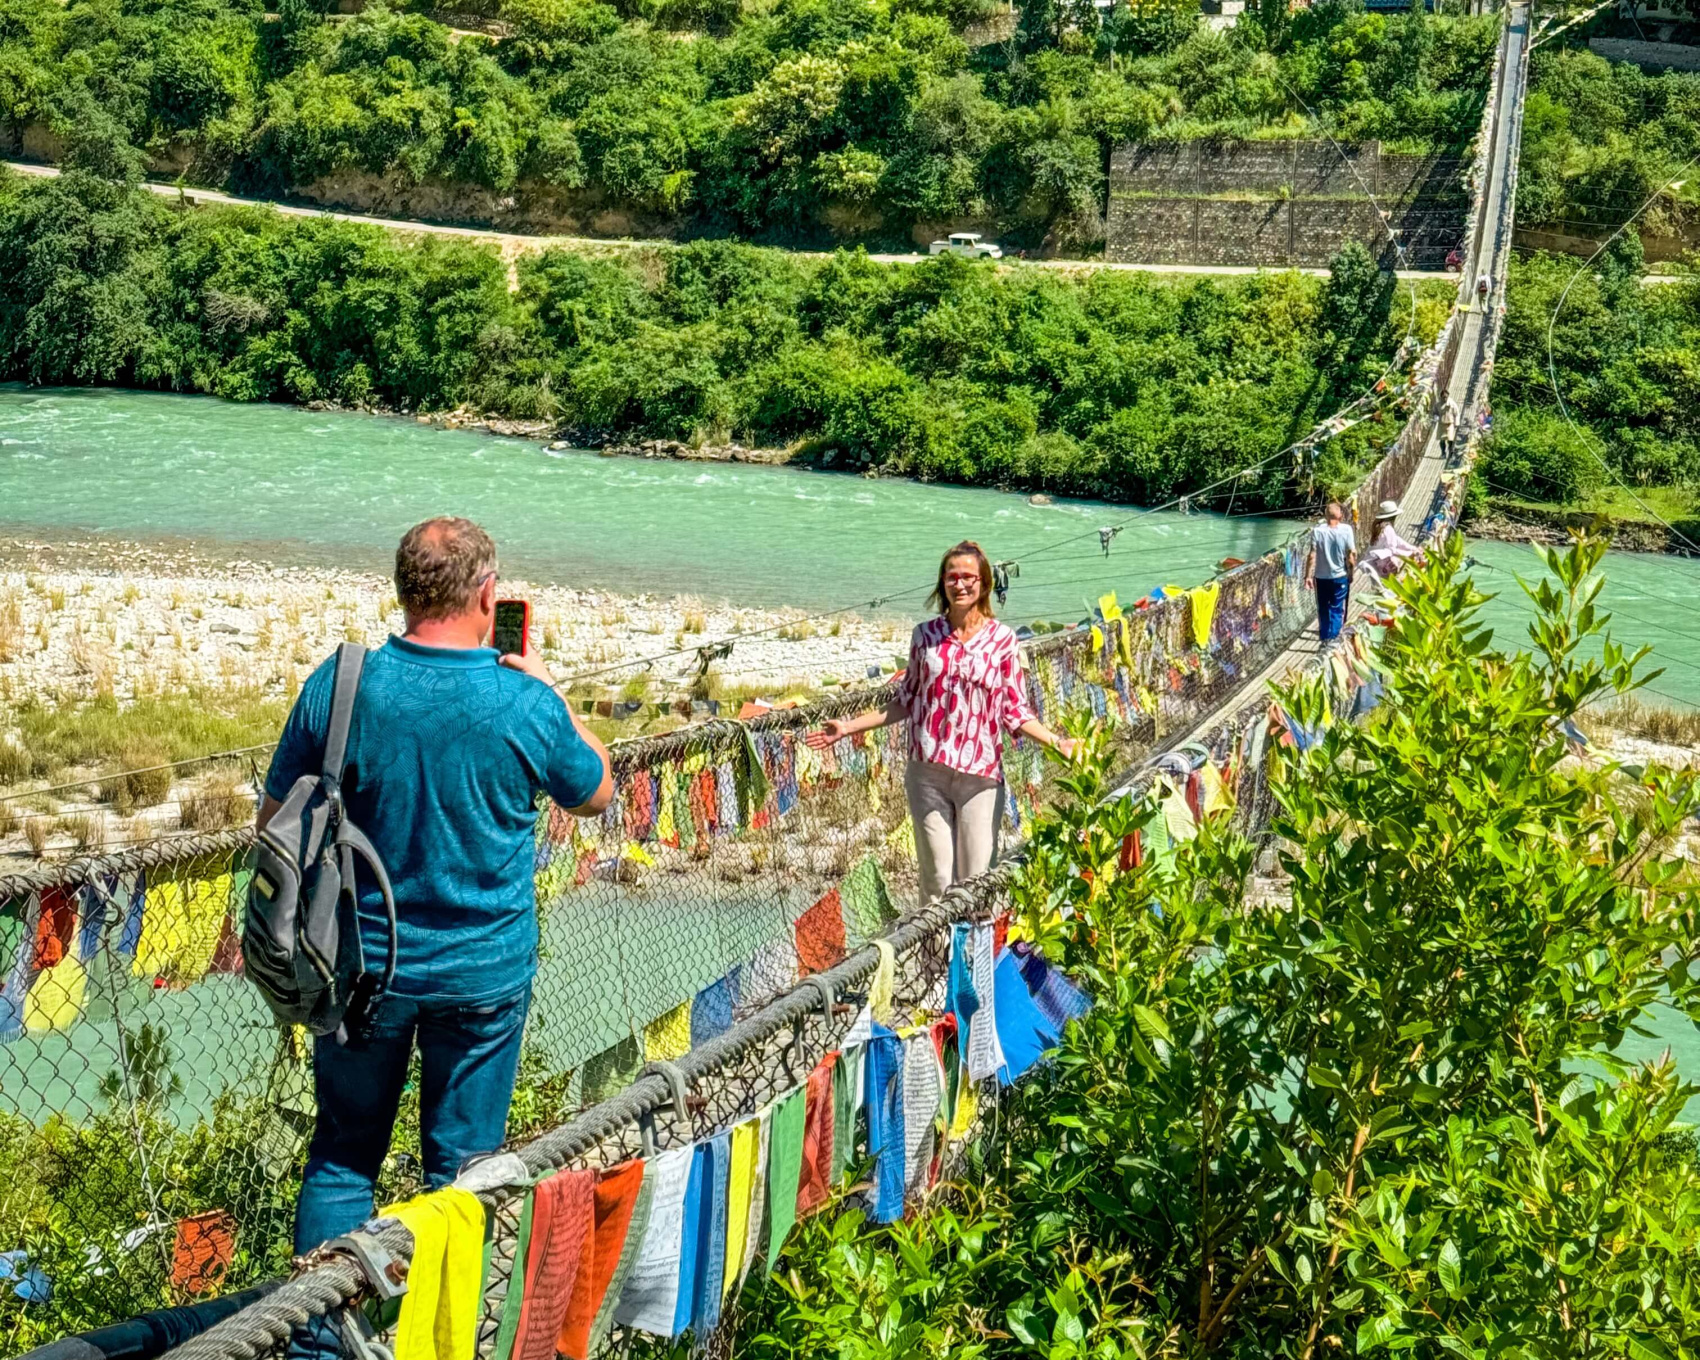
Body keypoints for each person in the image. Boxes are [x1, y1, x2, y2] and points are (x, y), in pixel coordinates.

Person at [261, 518, 612, 1357]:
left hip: (360, 970)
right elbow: (595, 792)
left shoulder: (342, 683)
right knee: (460, 1176)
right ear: (489, 595)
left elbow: (276, 817)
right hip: (483, 977)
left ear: (404, 588)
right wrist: (555, 695)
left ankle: (318, 1339)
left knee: (344, 1155)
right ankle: (436, 1339)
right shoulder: (522, 700)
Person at [805, 541, 1074, 904]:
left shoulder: (1003, 641)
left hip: (980, 776)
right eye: (952, 577)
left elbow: (1015, 710)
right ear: (941, 583)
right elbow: (906, 701)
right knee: (935, 883)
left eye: (968, 577)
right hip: (927, 772)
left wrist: (1057, 742)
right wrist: (849, 727)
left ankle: (972, 961)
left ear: (984, 583)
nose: (960, 585)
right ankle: (935, 962)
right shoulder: (925, 636)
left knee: (976, 884)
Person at [1305, 501, 1357, 645]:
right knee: (1336, 608)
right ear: (1340, 515)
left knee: (1323, 609)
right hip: (1339, 576)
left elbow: (1311, 556)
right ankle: (1333, 640)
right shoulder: (1346, 530)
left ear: (1326, 515)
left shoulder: (1317, 531)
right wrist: (1351, 573)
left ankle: (1324, 639)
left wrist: (1308, 576)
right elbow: (1351, 555)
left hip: (1321, 577)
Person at [1363, 500, 1423, 581]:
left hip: (1373, 562)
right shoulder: (1388, 529)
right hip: (1381, 564)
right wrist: (1411, 553)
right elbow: (1392, 550)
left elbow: (1397, 540)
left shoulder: (1380, 527)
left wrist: (1413, 548)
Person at [1439, 394, 1459, 459]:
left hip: (1450, 424)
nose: (1444, 398)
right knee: (1442, 440)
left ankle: (1451, 453)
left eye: (1445, 397)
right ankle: (1443, 453)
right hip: (1442, 424)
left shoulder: (1452, 404)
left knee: (1450, 439)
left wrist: (1456, 423)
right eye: (1443, 397)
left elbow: (1457, 413)